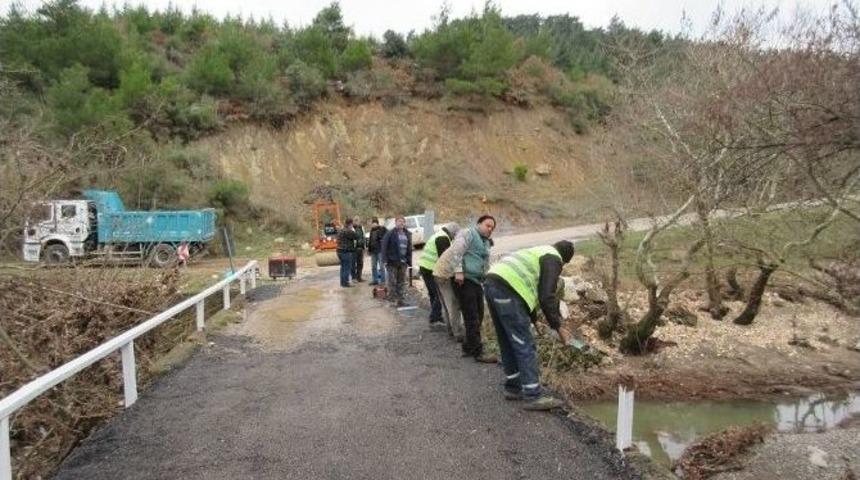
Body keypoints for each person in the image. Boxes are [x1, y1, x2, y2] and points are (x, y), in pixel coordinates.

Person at [484, 240, 576, 411]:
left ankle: (513, 387)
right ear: (564, 260)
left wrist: (535, 321)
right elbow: (546, 296)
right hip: (507, 288)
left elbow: (528, 292)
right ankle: (533, 395)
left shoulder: (538, 251)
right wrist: (559, 327)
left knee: (507, 339)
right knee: (524, 343)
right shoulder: (553, 258)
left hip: (492, 283)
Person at [440, 215, 496, 363]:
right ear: (479, 224)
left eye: (492, 228)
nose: (489, 229)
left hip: (475, 281)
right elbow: (456, 251)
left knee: (478, 313)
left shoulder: (485, 242)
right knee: (472, 315)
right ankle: (478, 352)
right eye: (487, 225)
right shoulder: (468, 233)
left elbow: (484, 261)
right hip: (463, 280)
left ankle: (468, 346)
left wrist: (486, 276)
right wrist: (458, 270)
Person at [417, 223, 460, 327]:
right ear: (452, 232)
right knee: (438, 294)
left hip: (425, 267)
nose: (454, 238)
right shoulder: (443, 238)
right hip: (431, 269)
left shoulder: (438, 234)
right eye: (454, 235)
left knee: (433, 294)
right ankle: (434, 318)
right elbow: (445, 258)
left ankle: (437, 317)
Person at [380, 216, 412, 307]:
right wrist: (385, 260)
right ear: (395, 222)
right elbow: (384, 247)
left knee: (401, 282)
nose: (401, 223)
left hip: (403, 262)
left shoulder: (407, 233)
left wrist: (409, 261)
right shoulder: (390, 234)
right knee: (392, 282)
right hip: (392, 262)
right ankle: (392, 301)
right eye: (399, 221)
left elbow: (409, 248)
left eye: (403, 221)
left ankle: (401, 300)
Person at [336, 218, 358, 288]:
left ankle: (342, 282)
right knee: (347, 268)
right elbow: (356, 236)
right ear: (350, 224)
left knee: (343, 267)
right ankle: (346, 283)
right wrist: (353, 229)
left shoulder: (341, 230)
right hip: (346, 251)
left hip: (339, 251)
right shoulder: (349, 231)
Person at [367, 218, 387, 286]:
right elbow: (370, 241)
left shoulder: (382, 229)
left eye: (374, 223)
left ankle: (383, 281)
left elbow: (386, 235)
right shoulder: (372, 230)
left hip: (380, 251)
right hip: (373, 251)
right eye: (372, 223)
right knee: (373, 266)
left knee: (381, 266)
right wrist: (369, 250)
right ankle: (375, 280)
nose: (373, 224)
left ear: (377, 223)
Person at [352, 216, 366, 282]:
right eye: (355, 220)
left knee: (360, 264)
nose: (357, 221)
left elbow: (364, 237)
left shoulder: (362, 228)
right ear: (353, 221)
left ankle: (359, 277)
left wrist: (365, 247)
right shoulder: (352, 228)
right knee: (353, 264)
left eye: (358, 220)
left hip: (361, 248)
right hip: (354, 249)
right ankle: (353, 278)